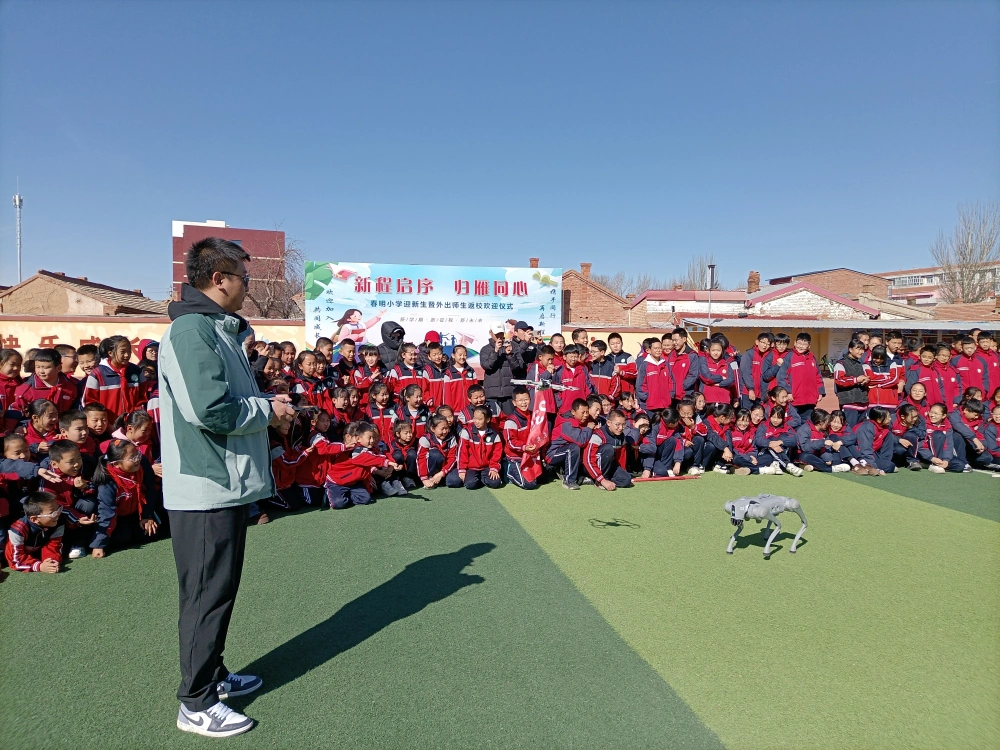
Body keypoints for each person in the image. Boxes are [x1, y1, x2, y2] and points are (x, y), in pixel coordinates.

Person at [159, 237, 296, 738]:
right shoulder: (191, 331)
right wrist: (268, 411)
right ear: (219, 279)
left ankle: (213, 675)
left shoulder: (216, 329)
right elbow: (210, 410)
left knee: (218, 590)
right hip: (205, 487)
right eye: (244, 276)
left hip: (223, 484)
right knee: (205, 595)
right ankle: (196, 703)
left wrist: (265, 404)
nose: (248, 285)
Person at [4, 491, 64, 573]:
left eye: (59, 509)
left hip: (34, 553)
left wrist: (51, 561)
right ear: (34, 519)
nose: (58, 514)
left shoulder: (57, 522)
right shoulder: (18, 530)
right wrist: (39, 566)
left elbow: (53, 545)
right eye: (52, 513)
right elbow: (15, 560)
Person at [776, 332, 825, 424]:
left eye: (804, 344)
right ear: (795, 343)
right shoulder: (790, 357)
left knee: (807, 423)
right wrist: (788, 392)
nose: (801, 346)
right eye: (799, 343)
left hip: (810, 399)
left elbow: (818, 376)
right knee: (793, 422)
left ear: (809, 346)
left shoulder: (812, 358)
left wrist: (820, 391)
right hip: (794, 399)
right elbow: (782, 377)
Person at [457, 406, 504, 489]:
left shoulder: (494, 435)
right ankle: (477, 479)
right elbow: (462, 452)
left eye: (480, 419)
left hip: (487, 467)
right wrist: (462, 469)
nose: (476, 421)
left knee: (495, 483)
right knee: (470, 484)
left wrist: (494, 468)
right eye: (474, 418)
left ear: (487, 420)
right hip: (471, 467)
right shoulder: (467, 432)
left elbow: (496, 454)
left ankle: (483, 478)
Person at [480, 325, 523, 415]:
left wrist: (510, 355)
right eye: (496, 334)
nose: (499, 336)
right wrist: (495, 351)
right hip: (492, 395)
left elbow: (518, 367)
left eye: (501, 333)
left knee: (509, 419)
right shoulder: (485, 349)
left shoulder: (512, 347)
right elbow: (487, 366)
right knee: (493, 421)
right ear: (490, 333)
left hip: (509, 394)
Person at [833, 339, 870, 427]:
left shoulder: (863, 364)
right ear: (850, 349)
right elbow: (839, 380)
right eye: (858, 349)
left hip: (863, 402)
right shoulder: (841, 364)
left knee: (860, 429)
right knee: (849, 429)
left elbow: (869, 378)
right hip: (849, 403)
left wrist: (867, 381)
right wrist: (856, 380)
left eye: (862, 349)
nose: (861, 352)